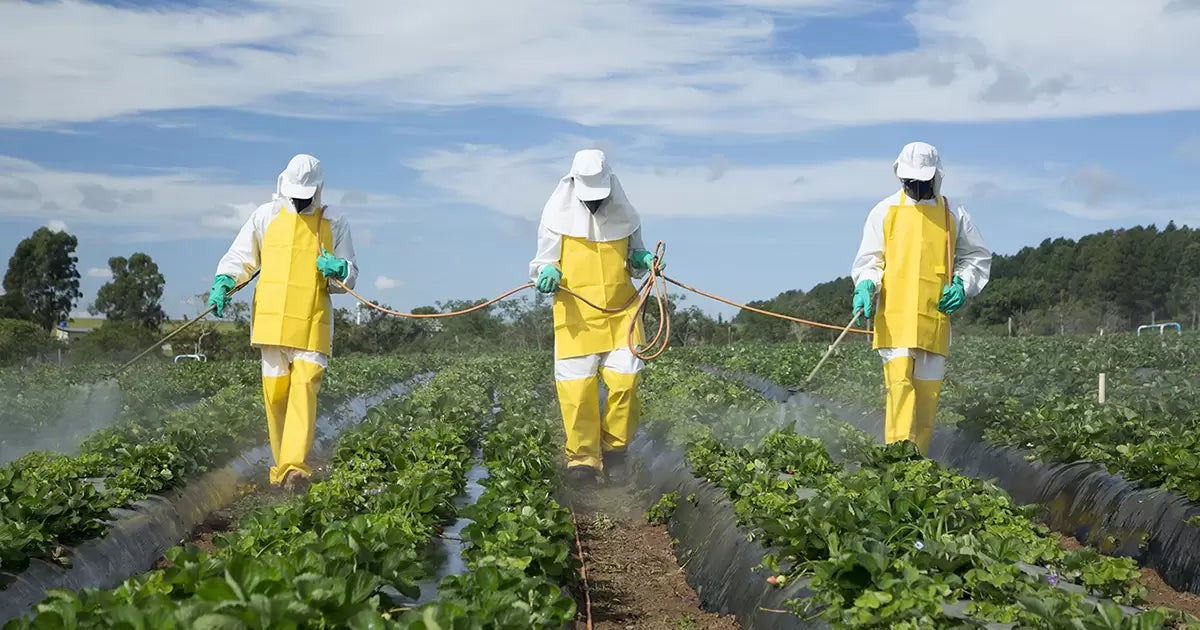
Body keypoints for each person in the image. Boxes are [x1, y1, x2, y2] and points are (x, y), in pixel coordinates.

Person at [207, 154, 358, 491]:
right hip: (271, 321)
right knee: (275, 395)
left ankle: (295, 469)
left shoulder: (334, 222)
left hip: (311, 319)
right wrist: (223, 283)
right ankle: (281, 470)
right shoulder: (266, 216)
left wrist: (340, 269)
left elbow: (349, 277)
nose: (300, 198)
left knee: (304, 389)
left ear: (318, 190)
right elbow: (240, 257)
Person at [529, 149, 661, 485]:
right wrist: (547, 273)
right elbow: (544, 261)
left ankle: (615, 449)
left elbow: (633, 257)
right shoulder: (555, 216)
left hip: (621, 313)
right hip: (576, 316)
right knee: (577, 392)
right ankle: (583, 461)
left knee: (627, 382)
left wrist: (643, 259)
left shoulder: (626, 215)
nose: (594, 205)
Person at [850, 142, 990, 455]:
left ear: (936, 177)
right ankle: (897, 464)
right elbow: (870, 260)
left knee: (927, 400)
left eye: (921, 181)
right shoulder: (884, 211)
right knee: (899, 391)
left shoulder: (953, 213)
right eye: (909, 182)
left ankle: (919, 466)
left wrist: (962, 284)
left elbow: (976, 257)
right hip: (895, 319)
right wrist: (866, 285)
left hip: (933, 318)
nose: (915, 187)